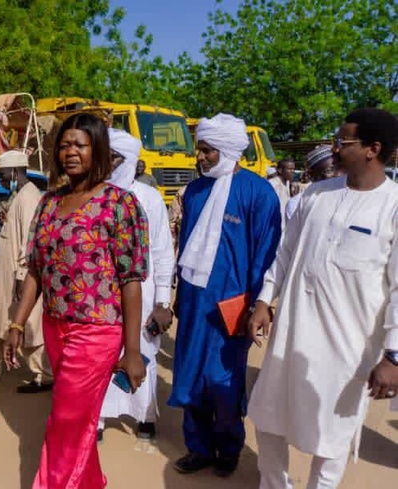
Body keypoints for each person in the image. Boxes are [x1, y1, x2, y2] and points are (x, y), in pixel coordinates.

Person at [248, 108, 398, 489]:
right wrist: (265, 299)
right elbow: (285, 253)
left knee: (333, 435)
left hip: (348, 348)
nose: (333, 148)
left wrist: (393, 355)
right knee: (267, 417)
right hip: (291, 335)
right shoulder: (315, 195)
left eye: (342, 141)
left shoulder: (393, 205)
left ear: (372, 149)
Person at [5, 113, 149, 488]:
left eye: (80, 145)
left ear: (97, 150)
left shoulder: (120, 204)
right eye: (64, 145)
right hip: (55, 326)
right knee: (78, 421)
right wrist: (17, 322)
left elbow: (131, 280)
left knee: (65, 418)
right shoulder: (49, 203)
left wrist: (132, 351)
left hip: (97, 331)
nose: (70, 152)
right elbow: (35, 270)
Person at [170, 113, 282, 477]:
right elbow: (186, 247)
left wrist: (257, 304)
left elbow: (267, 254)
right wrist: (178, 296)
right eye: (199, 149)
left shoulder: (258, 193)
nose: (200, 157)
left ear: (229, 150)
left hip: (233, 306)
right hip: (193, 301)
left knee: (223, 382)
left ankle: (229, 448)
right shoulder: (195, 191)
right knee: (190, 375)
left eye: (208, 150)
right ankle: (199, 448)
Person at [98, 128, 176, 441]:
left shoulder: (149, 198)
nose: (107, 163)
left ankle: (144, 415)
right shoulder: (91, 196)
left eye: (114, 158)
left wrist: (163, 302)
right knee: (101, 352)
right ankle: (97, 417)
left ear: (129, 161)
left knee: (142, 349)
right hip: (101, 294)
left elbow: (162, 251)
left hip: (142, 291)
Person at [0, 150, 53, 393]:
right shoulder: (19, 195)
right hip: (4, 273)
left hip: (18, 274)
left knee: (27, 323)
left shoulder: (29, 197)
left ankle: (43, 374)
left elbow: (28, 241)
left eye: (3, 175)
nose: (1, 180)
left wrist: (23, 276)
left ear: (14, 172)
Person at [284, 145, 337, 221]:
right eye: (330, 171)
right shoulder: (297, 204)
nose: (337, 175)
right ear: (311, 174)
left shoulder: (348, 199)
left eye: (340, 169)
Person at [269, 158, 295, 225]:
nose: (292, 171)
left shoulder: (287, 183)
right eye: (290, 169)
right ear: (280, 170)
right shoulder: (273, 184)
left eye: (293, 169)